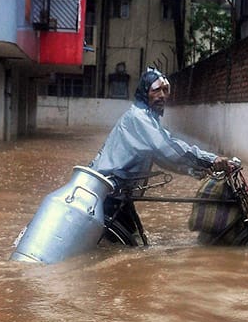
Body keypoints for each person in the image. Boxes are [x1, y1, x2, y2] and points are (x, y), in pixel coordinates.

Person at [89, 67, 234, 242]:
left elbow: (161, 157)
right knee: (127, 245)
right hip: (112, 189)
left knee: (129, 243)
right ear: (145, 92)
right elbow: (167, 147)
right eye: (156, 90)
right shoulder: (139, 118)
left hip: (119, 190)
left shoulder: (148, 117)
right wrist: (210, 159)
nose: (162, 95)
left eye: (165, 90)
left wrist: (193, 171)